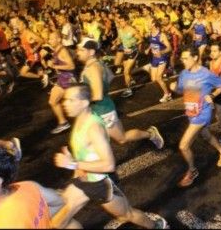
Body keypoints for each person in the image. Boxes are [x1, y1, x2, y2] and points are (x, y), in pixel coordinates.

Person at [51, 84, 167, 229]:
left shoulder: (93, 128)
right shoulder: (79, 120)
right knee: (57, 222)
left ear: (85, 103)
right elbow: (85, 154)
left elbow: (109, 165)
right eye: (65, 100)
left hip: (101, 184)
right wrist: (75, 170)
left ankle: (156, 225)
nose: (64, 104)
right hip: (83, 180)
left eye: (70, 100)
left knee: (126, 214)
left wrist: (73, 164)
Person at [76, 38, 164, 148]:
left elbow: (98, 95)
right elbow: (109, 78)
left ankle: (150, 134)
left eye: (81, 50)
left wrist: (79, 101)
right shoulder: (95, 64)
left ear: (91, 52)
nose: (78, 52)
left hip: (102, 111)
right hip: (95, 110)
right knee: (90, 140)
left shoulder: (93, 68)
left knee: (121, 138)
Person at [169, 46, 221, 187]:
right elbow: (181, 90)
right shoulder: (184, 74)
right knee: (206, 135)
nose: (183, 61)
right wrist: (174, 88)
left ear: (195, 57)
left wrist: (212, 95)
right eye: (182, 58)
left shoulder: (206, 74)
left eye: (186, 58)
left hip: (202, 113)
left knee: (183, 145)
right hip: (191, 112)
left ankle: (192, 171)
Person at [46, 31, 76, 134]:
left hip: (68, 80)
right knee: (53, 101)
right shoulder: (56, 49)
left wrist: (54, 66)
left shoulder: (62, 51)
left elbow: (71, 66)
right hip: (61, 79)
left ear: (59, 39)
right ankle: (63, 123)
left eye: (52, 38)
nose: (49, 40)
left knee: (76, 103)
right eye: (49, 39)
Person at [142, 19, 172, 103]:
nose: (147, 24)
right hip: (154, 58)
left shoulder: (161, 35)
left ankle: (167, 95)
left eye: (149, 23)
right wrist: (148, 49)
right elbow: (152, 43)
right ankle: (166, 86)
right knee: (154, 79)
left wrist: (161, 52)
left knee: (159, 78)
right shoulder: (151, 33)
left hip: (162, 58)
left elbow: (169, 48)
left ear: (154, 24)